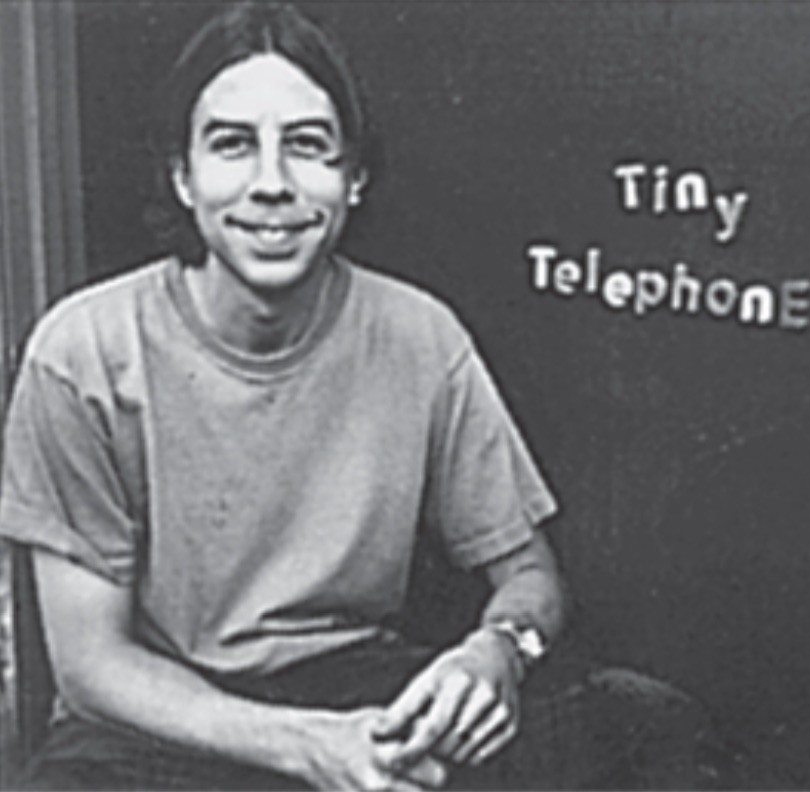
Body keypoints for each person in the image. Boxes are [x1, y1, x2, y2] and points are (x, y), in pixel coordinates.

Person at [0, 3, 726, 789]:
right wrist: (306, 747)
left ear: (354, 178)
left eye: (308, 146)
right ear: (183, 176)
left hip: (361, 697)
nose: (271, 184)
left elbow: (531, 578)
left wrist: (498, 653)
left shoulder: (419, 336)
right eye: (233, 144)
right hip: (164, 728)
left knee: (644, 723)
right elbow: (92, 668)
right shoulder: (84, 352)